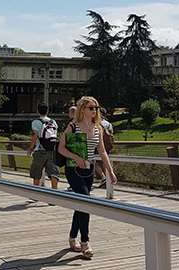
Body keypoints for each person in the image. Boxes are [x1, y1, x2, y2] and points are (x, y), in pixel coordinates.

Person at [58, 96, 117, 258]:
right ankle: (85, 242)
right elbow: (60, 148)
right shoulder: (73, 127)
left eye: (96, 108)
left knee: (82, 204)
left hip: (89, 170)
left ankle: (72, 238)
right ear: (82, 109)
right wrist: (76, 157)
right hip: (73, 170)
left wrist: (110, 172)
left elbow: (102, 152)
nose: (94, 111)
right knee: (85, 201)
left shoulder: (97, 128)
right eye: (91, 108)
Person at [26, 103, 60, 189]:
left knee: (36, 173)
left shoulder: (36, 122)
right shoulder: (53, 122)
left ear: (38, 111)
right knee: (53, 173)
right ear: (47, 111)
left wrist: (30, 148)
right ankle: (55, 193)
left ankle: (37, 193)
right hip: (51, 150)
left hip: (40, 150)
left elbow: (35, 136)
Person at [96, 107, 114, 188]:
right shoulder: (109, 124)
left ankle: (103, 177)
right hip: (107, 146)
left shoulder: (97, 124)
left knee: (93, 162)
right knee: (105, 162)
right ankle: (108, 178)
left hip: (98, 145)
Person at [65, 106, 76, 192]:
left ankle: (72, 184)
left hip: (72, 149)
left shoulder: (72, 125)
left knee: (71, 168)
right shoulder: (82, 123)